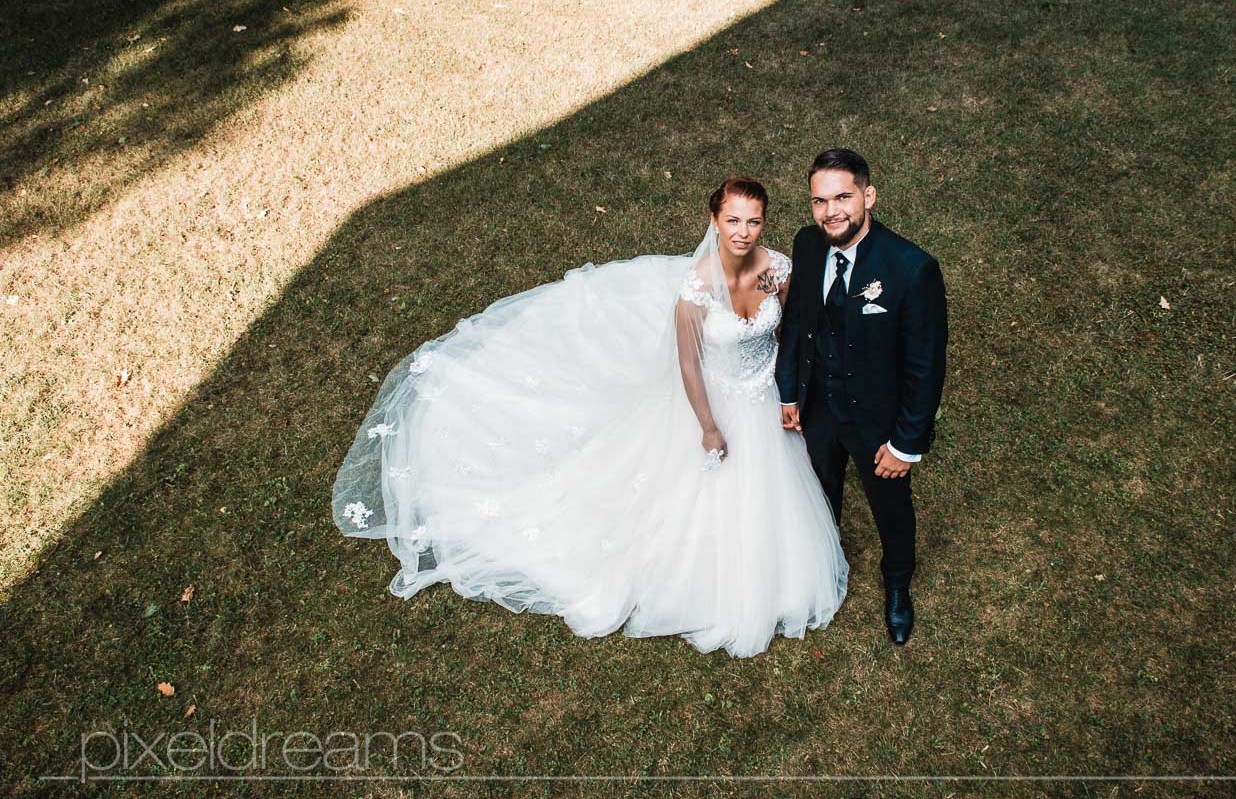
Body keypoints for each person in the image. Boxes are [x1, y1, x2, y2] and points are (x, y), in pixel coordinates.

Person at [332, 177, 848, 658]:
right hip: (714, 399)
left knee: (770, 488)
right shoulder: (695, 287)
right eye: (733, 220)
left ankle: (772, 574)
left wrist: (792, 391)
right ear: (714, 221)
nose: (743, 232)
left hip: (763, 394)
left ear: (764, 224)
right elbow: (689, 362)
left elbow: (791, 333)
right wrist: (709, 426)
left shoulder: (776, 267)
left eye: (753, 221)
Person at [777, 148, 948, 645]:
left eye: (843, 197)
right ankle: (825, 564)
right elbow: (799, 323)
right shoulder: (808, 246)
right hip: (819, 408)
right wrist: (790, 390)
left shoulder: (911, 268)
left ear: (868, 196)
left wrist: (905, 444)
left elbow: (925, 365)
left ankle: (897, 586)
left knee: (890, 509)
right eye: (819, 201)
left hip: (877, 424)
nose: (831, 211)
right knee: (819, 493)